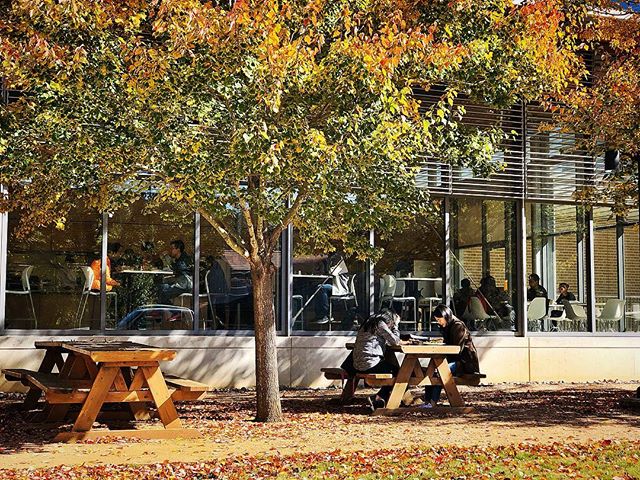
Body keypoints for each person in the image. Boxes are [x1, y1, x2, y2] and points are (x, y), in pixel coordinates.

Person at [340, 309, 402, 411]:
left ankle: (382, 398)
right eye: (391, 322)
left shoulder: (369, 322)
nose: (390, 325)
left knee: (395, 370)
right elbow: (395, 341)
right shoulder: (380, 324)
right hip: (369, 364)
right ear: (390, 318)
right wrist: (396, 326)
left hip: (356, 365)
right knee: (400, 373)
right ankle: (379, 397)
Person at [423, 304, 480, 408]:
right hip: (452, 359)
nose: (438, 322)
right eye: (437, 320)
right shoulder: (448, 325)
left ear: (446, 316)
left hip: (464, 363)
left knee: (440, 372)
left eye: (439, 320)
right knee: (430, 371)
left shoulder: (458, 326)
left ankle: (432, 402)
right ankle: (427, 402)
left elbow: (456, 349)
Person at [315, 252, 350, 324]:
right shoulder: (331, 259)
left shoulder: (338, 259)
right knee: (317, 288)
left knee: (321, 288)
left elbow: (332, 272)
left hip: (340, 288)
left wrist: (325, 263)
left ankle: (324, 315)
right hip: (334, 286)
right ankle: (320, 314)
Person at [158, 239, 193, 304]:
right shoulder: (180, 259)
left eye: (172, 248)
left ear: (178, 249)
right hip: (182, 284)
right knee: (162, 285)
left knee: (162, 288)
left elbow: (177, 270)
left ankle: (171, 311)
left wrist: (167, 258)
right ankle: (168, 310)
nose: (170, 250)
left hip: (184, 286)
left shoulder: (183, 260)